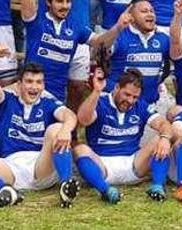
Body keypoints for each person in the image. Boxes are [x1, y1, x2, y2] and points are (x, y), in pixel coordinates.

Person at [0, 48, 79, 207]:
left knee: (57, 128)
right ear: (19, 85)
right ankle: (6, 191)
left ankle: (66, 185)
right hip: (10, 168)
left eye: (39, 82)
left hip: (40, 167)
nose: (34, 87)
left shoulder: (48, 103)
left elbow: (70, 116)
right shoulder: (6, 100)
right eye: (29, 81)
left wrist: (66, 130)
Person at [73, 68, 173, 203]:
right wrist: (96, 91)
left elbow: (163, 123)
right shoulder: (100, 101)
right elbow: (83, 119)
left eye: (135, 97)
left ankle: (158, 187)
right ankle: (105, 191)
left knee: (160, 139)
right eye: (126, 94)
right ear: (116, 87)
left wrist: (165, 139)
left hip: (134, 166)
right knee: (80, 149)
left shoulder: (141, 106)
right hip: (103, 167)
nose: (130, 100)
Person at [20, 0, 121, 104]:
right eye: (59, 1)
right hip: (30, 89)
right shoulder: (36, 19)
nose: (65, 6)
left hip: (57, 95)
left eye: (68, 1)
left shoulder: (76, 26)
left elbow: (99, 43)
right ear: (48, 2)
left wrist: (118, 27)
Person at [106, 0, 170, 106]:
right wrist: (117, 27)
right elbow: (98, 54)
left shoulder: (163, 38)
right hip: (119, 104)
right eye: (144, 11)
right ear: (131, 16)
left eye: (152, 11)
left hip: (150, 106)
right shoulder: (119, 36)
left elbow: (178, 60)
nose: (150, 14)